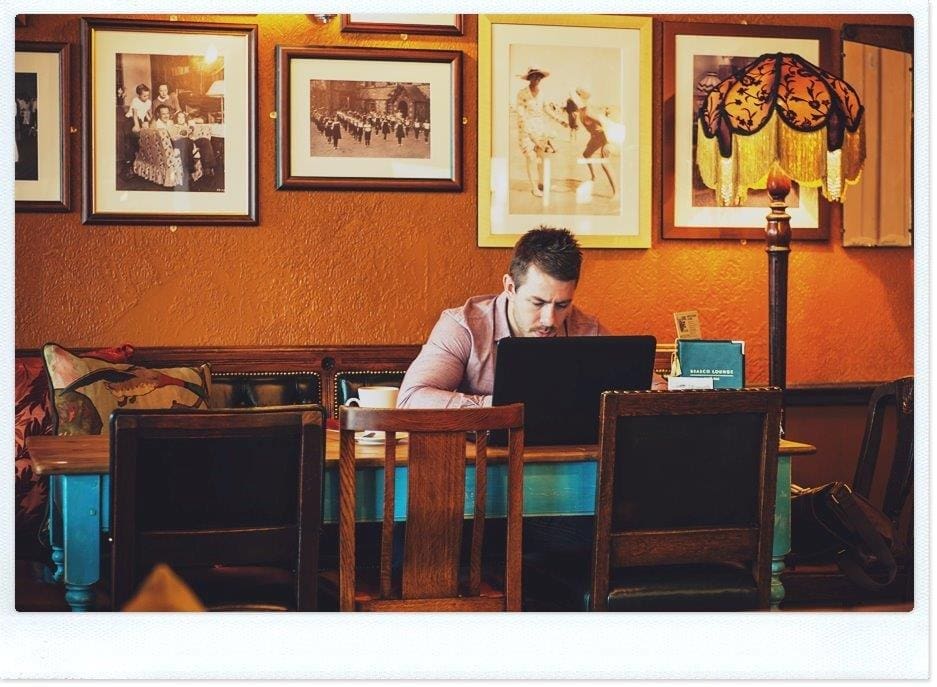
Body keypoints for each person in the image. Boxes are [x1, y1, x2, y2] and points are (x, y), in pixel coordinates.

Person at [398, 226, 619, 410]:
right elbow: (411, 399)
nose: (549, 320)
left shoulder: (588, 330)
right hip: (486, 457)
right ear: (510, 287)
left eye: (562, 305)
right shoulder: (463, 326)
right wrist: (501, 409)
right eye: (537, 303)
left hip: (572, 456)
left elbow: (651, 391)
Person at [566, 88, 618, 201]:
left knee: (605, 163)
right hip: (596, 137)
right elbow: (587, 126)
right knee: (586, 154)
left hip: (605, 137)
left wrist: (608, 143)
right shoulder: (581, 111)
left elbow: (606, 124)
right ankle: (594, 177)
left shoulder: (589, 111)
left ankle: (617, 193)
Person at [515, 66, 556, 198]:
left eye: (539, 76)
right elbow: (521, 116)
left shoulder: (542, 93)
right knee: (531, 158)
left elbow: (547, 109)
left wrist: (560, 120)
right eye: (534, 76)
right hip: (526, 130)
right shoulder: (522, 93)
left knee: (540, 159)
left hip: (540, 129)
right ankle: (534, 188)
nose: (537, 79)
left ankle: (540, 183)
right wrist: (531, 135)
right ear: (529, 78)